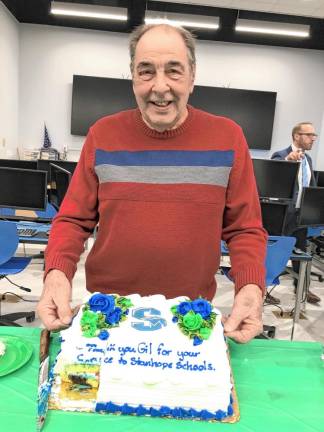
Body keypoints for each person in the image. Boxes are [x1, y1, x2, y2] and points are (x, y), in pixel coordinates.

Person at [37, 24, 267, 343]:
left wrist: (251, 287)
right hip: (108, 312)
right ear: (133, 75)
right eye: (146, 71)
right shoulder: (102, 134)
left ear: (192, 76)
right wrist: (57, 275)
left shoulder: (229, 137)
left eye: (174, 71)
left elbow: (245, 229)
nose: (160, 87)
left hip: (189, 315)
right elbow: (74, 220)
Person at [271, 121, 320, 304]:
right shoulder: (281, 155)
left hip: (301, 216)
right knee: (274, 253)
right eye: (309, 135)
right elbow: (273, 175)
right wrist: (287, 162)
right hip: (284, 216)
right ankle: (265, 289)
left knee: (301, 254)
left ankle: (302, 290)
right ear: (296, 136)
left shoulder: (308, 159)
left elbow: (311, 187)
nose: (313, 138)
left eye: (314, 135)